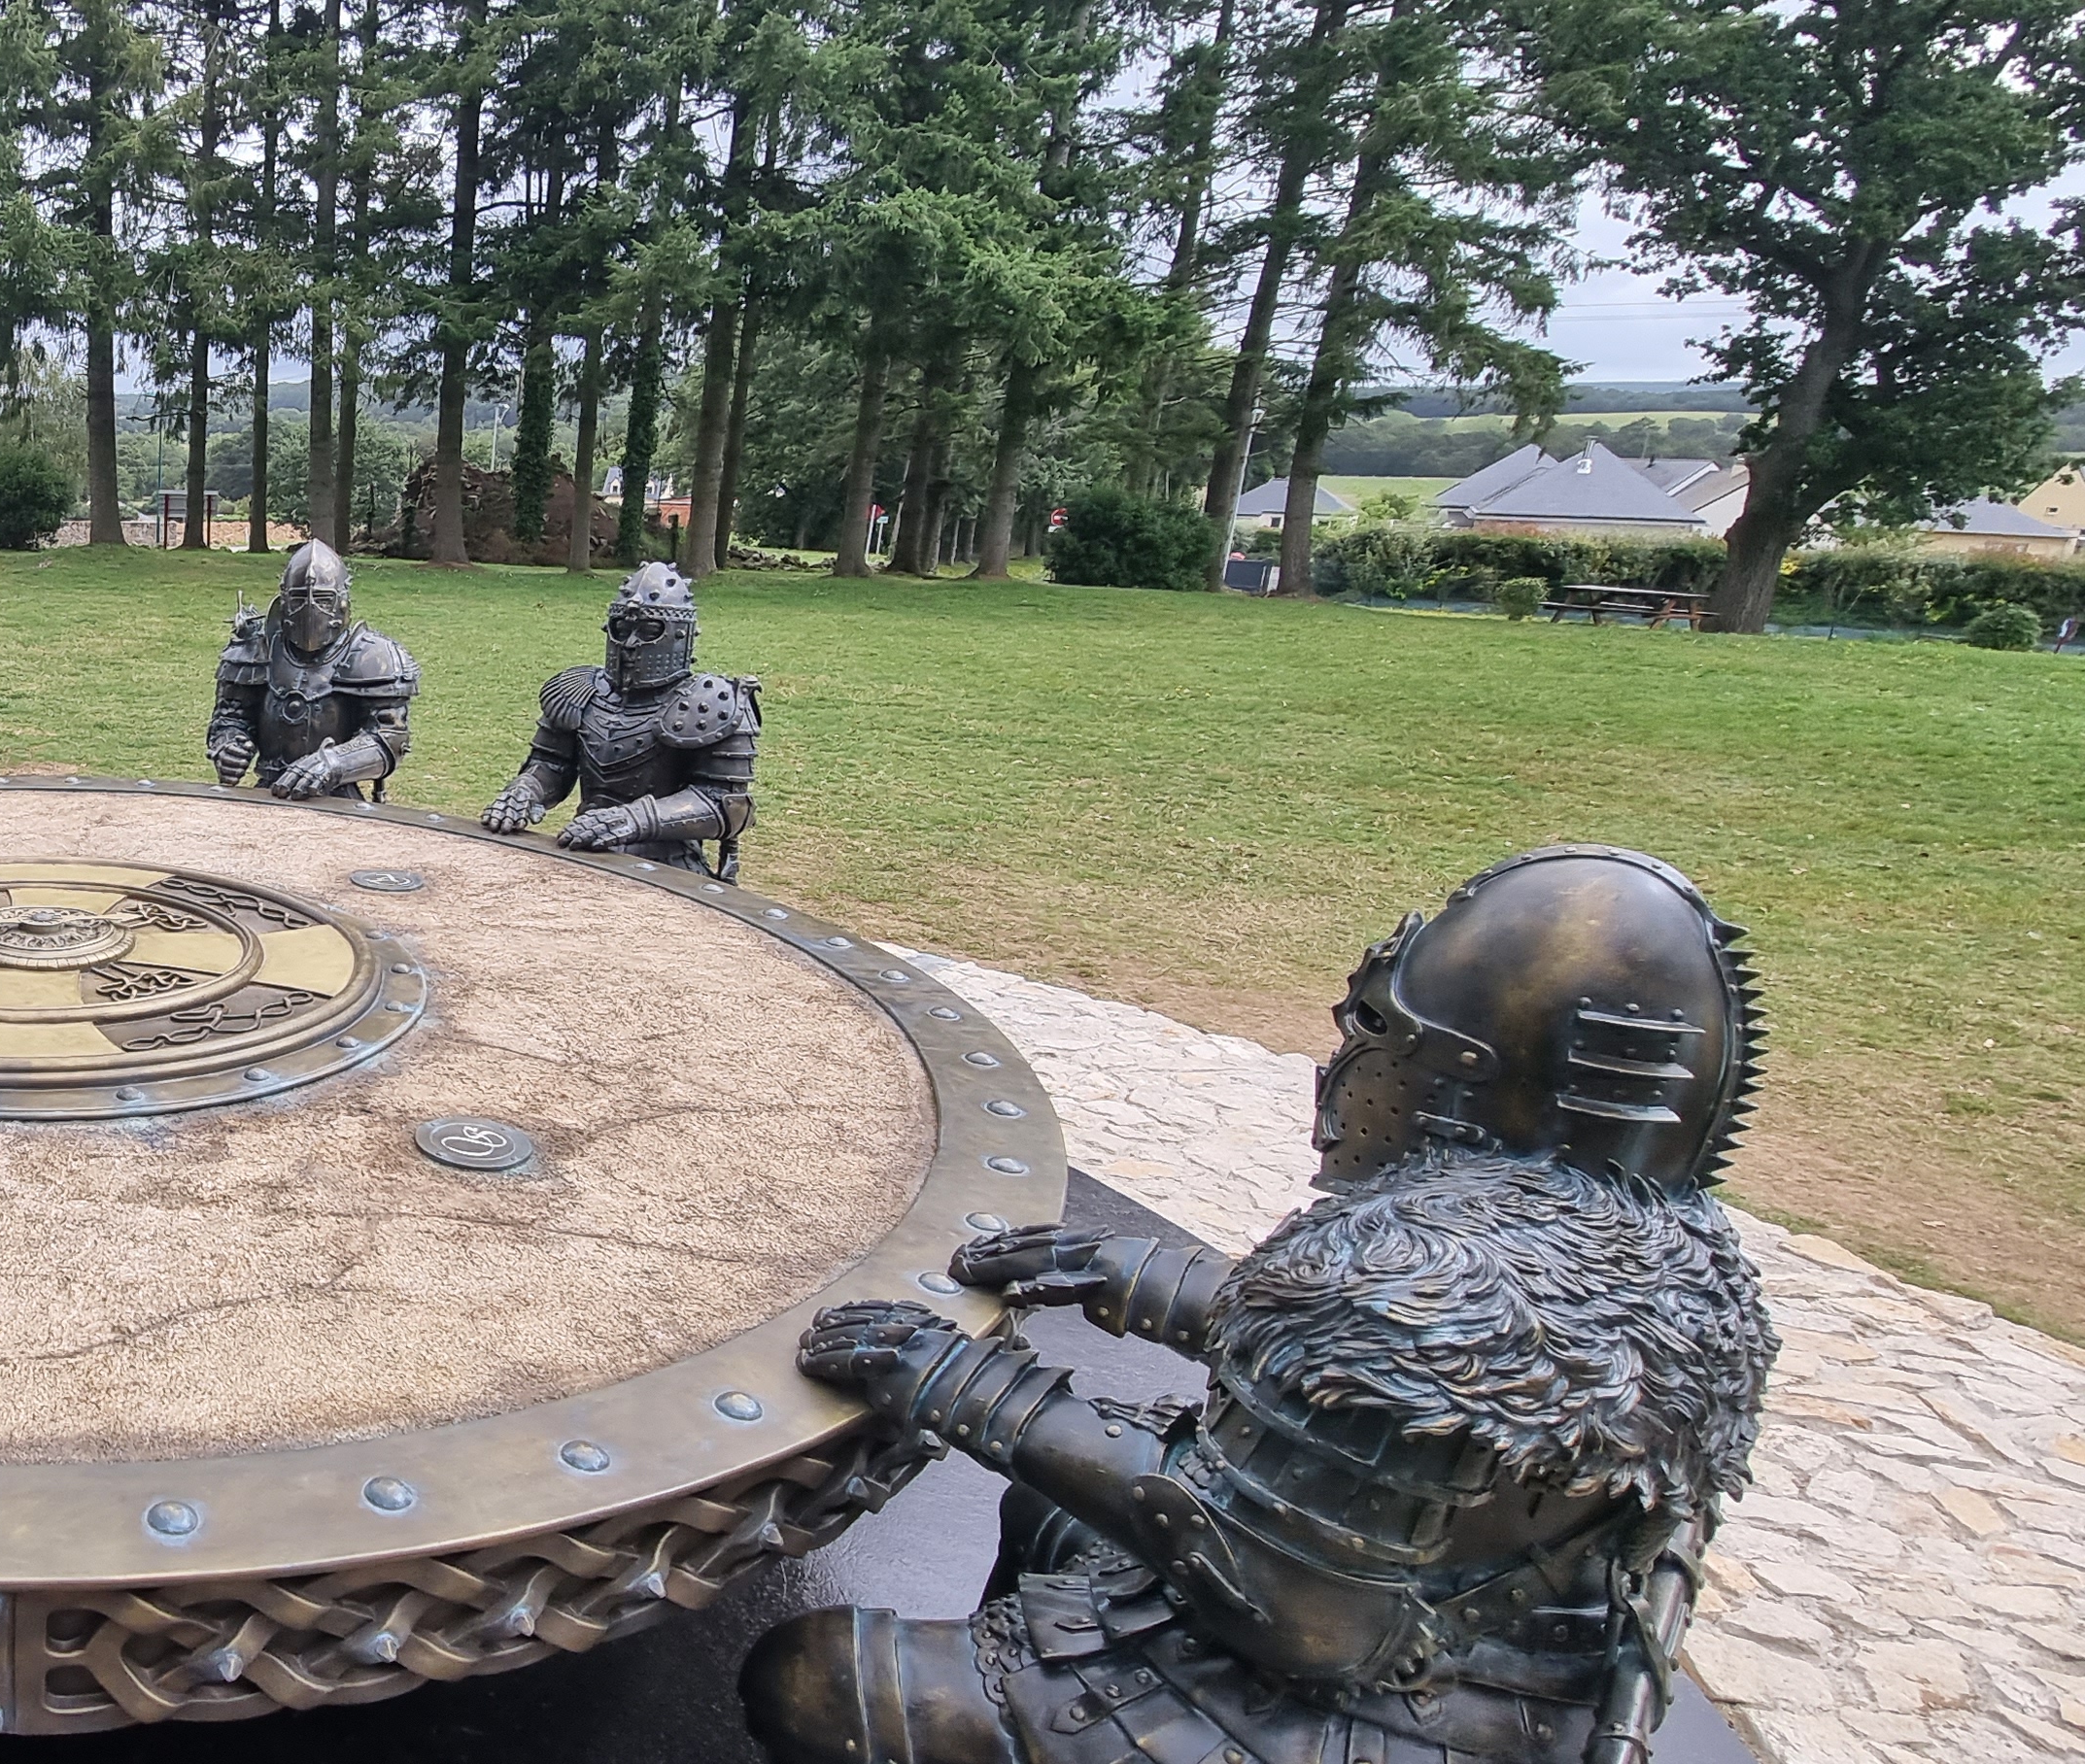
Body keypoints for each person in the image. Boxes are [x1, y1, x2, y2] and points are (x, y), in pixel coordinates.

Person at [750, 846, 1775, 1764]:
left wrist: (969, 1388)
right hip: (1514, 1673)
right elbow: (1390, 1368)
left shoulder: (1433, 1266)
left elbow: (1296, 1607)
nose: (1345, 1064)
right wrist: (1130, 1273)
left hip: (1349, 1708)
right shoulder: (1684, 1262)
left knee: (817, 1678)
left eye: (1380, 1031)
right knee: (1046, 1510)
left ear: (1472, 1074)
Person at [481, 562, 761, 873]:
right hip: (585, 850)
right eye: (621, 629)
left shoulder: (713, 700)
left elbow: (725, 806)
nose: (630, 643)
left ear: (680, 634)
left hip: (669, 867)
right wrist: (524, 791)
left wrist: (632, 819)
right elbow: (552, 764)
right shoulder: (581, 689)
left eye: (649, 631)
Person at [207, 541, 420, 800]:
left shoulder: (373, 656)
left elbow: (389, 739)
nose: (310, 609)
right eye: (298, 598)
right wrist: (229, 745)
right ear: (284, 600)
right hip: (269, 791)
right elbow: (231, 717)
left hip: (338, 797)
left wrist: (334, 762)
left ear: (342, 602)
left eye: (323, 599)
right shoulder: (256, 648)